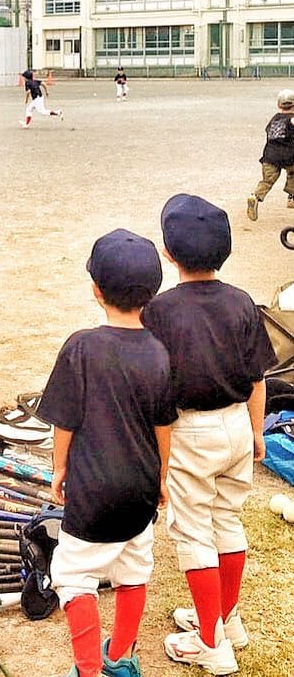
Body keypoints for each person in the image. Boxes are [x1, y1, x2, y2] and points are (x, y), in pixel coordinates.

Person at [143, 195, 276, 674]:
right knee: (228, 520)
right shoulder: (242, 302)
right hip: (238, 421)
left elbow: (152, 385)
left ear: (168, 252)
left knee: (194, 532)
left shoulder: (159, 311)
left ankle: (210, 643)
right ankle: (226, 618)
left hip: (190, 431)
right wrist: (257, 432)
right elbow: (258, 378)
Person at [38, 229, 176, 677]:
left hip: (94, 488)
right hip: (140, 486)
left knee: (75, 576)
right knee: (134, 568)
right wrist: (161, 476)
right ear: (151, 293)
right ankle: (120, 656)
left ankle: (89, 669)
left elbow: (65, 421)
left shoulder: (81, 345)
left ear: (96, 290)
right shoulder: (158, 352)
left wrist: (59, 467)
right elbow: (162, 424)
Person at [246, 89, 294, 221]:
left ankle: (255, 196)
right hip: (289, 156)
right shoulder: (292, 119)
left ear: (279, 105)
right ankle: (292, 197)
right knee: (292, 173)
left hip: (270, 156)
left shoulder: (274, 119)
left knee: (267, 181)